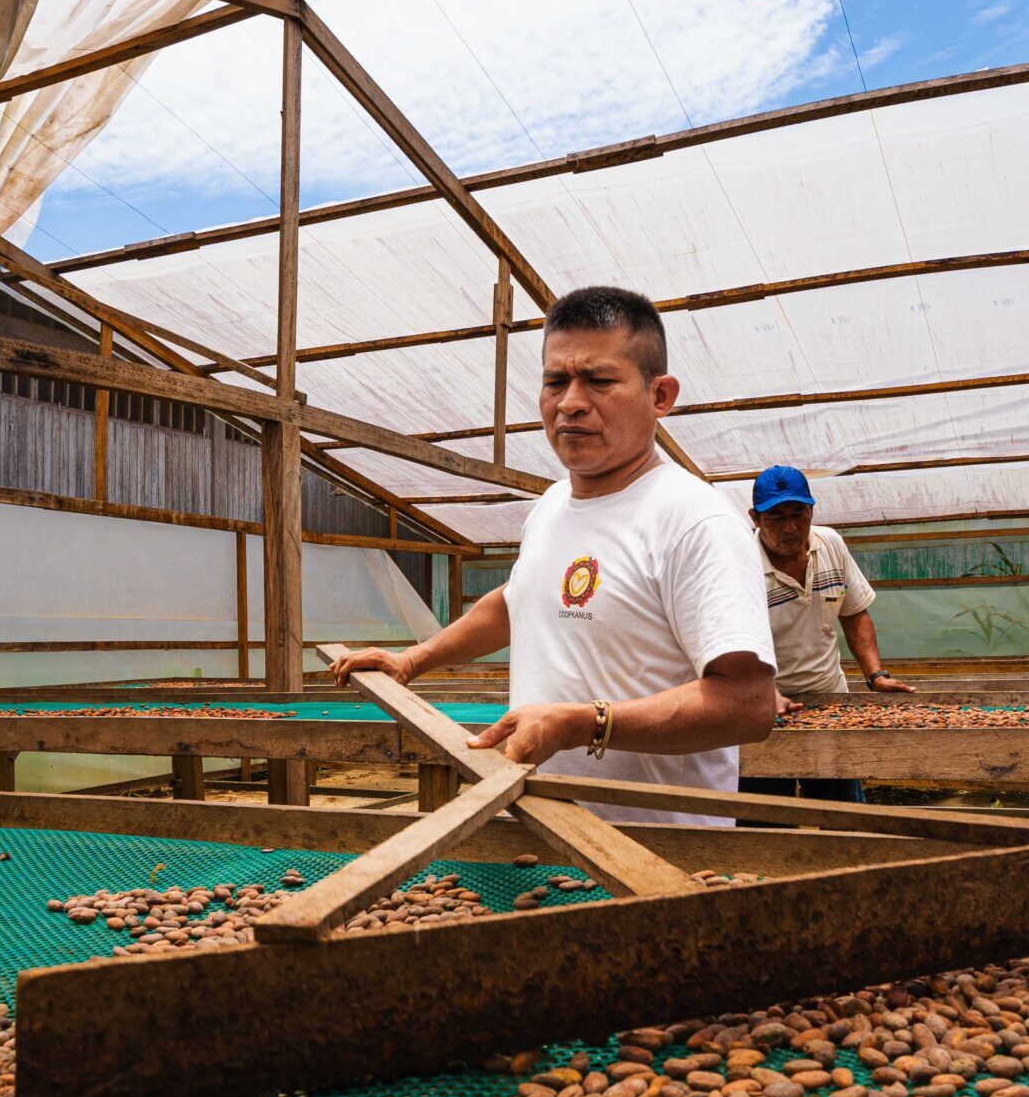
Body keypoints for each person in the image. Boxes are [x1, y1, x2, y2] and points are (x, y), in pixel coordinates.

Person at [331, 285, 776, 825]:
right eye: (556, 381)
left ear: (661, 395)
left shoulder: (693, 520)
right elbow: (518, 601)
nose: (571, 402)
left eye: (600, 380)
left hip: (656, 850)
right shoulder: (551, 505)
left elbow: (747, 706)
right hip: (538, 832)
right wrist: (411, 660)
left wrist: (586, 723)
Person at [747, 464, 912, 805]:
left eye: (799, 513)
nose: (791, 527)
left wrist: (875, 674)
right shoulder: (740, 564)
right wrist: (764, 691)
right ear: (755, 518)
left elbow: (853, 613)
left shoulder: (830, 544)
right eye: (777, 517)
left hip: (829, 703)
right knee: (766, 815)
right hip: (764, 710)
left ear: (812, 510)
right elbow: (731, 645)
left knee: (842, 808)